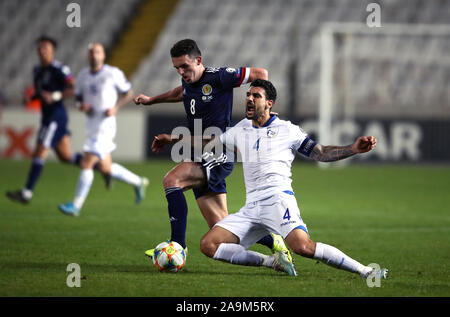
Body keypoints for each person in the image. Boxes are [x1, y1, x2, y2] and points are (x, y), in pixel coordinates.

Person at [200, 79, 389, 279]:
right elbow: (210, 142)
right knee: (209, 245)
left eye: (256, 96)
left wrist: (353, 149)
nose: (249, 98)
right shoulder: (241, 129)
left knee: (303, 247)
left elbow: (321, 153)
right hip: (251, 207)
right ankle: (272, 261)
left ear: (269, 103)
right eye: (248, 95)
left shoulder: (287, 130)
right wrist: (173, 139)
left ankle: (367, 271)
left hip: (278, 201)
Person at [134, 39, 290, 259]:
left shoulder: (220, 76)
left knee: (172, 180)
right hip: (200, 152)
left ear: (198, 60)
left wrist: (260, 112)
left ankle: (177, 246)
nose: (181, 72)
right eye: (176, 68)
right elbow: (181, 92)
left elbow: (260, 72)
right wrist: (152, 100)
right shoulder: (188, 81)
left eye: (185, 67)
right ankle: (272, 240)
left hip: (218, 152)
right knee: (221, 226)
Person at [58, 43, 148, 216]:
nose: (94, 55)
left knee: (87, 162)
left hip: (106, 126)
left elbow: (129, 94)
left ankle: (76, 205)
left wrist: (115, 107)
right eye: (91, 52)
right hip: (91, 124)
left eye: (97, 52)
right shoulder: (83, 75)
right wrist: (81, 105)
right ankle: (138, 182)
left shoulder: (112, 73)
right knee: (105, 168)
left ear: (103, 55)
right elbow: (77, 98)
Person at [6, 36, 80, 204]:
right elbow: (40, 92)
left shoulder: (59, 69)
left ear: (53, 51)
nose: (42, 51)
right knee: (66, 157)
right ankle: (101, 167)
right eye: (40, 49)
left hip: (56, 116)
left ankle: (27, 193)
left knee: (40, 151)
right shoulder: (37, 70)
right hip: (46, 116)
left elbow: (74, 88)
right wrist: (31, 97)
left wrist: (55, 95)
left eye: (46, 48)